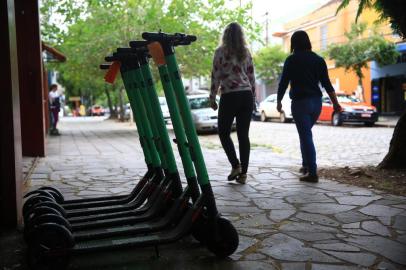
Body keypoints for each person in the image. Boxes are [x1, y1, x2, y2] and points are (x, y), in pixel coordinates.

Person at [277, 30, 342, 183]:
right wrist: (336, 103)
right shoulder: (318, 60)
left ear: (293, 44)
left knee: (306, 135)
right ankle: (305, 165)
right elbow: (327, 84)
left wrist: (279, 100)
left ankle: (312, 172)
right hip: (316, 104)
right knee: (305, 134)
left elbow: (283, 82)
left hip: (300, 104)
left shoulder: (291, 60)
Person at [209, 22, 256, 184]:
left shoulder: (220, 52)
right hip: (246, 96)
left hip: (230, 96)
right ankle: (243, 174)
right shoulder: (246, 52)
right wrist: (254, 99)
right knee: (243, 135)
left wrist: (212, 96)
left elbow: (215, 75)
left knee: (223, 133)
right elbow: (251, 78)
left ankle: (236, 165)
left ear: (225, 35)